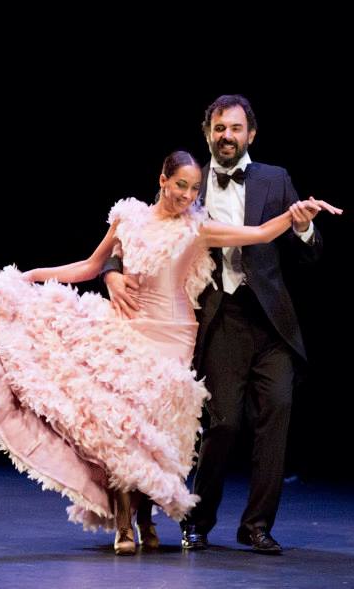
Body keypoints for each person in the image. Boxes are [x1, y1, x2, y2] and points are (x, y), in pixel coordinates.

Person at [0, 150, 339, 555]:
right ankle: (125, 523)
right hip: (128, 326)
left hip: (174, 335)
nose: (187, 195)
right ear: (162, 179)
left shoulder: (197, 229)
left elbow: (260, 234)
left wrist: (296, 214)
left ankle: (146, 518)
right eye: (180, 185)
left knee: (154, 431)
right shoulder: (128, 218)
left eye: (195, 188)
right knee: (121, 426)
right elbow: (92, 265)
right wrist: (35, 276)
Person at [104, 95, 331, 554]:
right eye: (220, 128)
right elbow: (145, 230)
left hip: (271, 324)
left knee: (276, 418)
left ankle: (257, 527)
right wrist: (110, 270)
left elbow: (308, 251)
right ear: (208, 132)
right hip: (219, 318)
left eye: (236, 128)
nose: (228, 136)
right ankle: (198, 521)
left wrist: (303, 227)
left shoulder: (275, 179)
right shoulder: (191, 179)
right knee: (222, 424)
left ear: (251, 134)